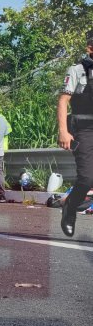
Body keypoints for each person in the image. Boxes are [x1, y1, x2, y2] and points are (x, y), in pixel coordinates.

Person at [58, 37, 93, 237]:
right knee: (87, 179)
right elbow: (63, 100)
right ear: (90, 48)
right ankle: (70, 208)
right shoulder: (77, 70)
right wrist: (63, 130)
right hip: (84, 129)